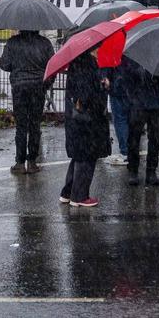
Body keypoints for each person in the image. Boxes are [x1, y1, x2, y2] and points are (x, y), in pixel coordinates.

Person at [0, 28, 55, 174]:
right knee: (35, 125)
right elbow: (53, 65)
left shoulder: (13, 42)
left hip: (19, 87)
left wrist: (17, 67)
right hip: (38, 87)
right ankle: (32, 161)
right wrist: (45, 83)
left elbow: (4, 65)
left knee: (21, 125)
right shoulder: (45, 43)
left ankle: (19, 162)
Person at [60, 49, 109, 208]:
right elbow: (88, 95)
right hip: (87, 119)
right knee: (87, 155)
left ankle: (67, 192)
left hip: (75, 118)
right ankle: (79, 196)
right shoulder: (88, 65)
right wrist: (103, 86)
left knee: (78, 155)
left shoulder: (77, 62)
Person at [120, 56, 159, 187]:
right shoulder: (133, 55)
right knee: (134, 138)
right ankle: (133, 169)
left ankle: (151, 171)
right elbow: (126, 76)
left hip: (156, 103)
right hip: (138, 102)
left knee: (155, 138)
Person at [103, 62, 129, 165]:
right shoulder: (132, 49)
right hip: (131, 90)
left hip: (117, 89)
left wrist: (108, 82)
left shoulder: (113, 52)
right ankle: (130, 151)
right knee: (128, 119)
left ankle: (125, 152)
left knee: (120, 120)